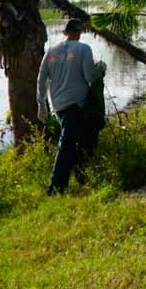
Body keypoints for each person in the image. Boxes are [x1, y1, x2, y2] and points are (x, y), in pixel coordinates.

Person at [37, 18, 104, 195]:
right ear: (79, 33)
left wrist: (41, 105)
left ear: (65, 32)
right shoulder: (83, 49)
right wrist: (101, 69)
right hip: (76, 104)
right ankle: (55, 187)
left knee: (75, 140)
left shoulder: (51, 52)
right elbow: (89, 76)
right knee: (66, 144)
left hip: (58, 106)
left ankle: (79, 177)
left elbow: (41, 79)